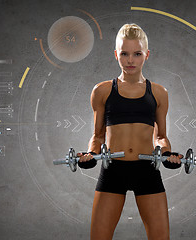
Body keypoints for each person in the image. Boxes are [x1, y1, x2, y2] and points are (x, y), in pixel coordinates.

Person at [77, 23, 183, 240]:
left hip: (147, 171)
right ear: (116, 55)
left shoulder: (159, 93)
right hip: (113, 171)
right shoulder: (102, 91)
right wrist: (90, 154)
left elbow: (161, 136)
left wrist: (165, 154)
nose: (130, 60)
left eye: (137, 54)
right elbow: (97, 136)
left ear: (147, 55)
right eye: (124, 53)